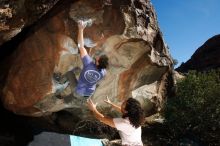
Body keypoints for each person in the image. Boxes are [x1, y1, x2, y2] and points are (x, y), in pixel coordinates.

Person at [67, 20, 109, 101]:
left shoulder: (88, 63)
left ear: (97, 62)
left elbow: (81, 46)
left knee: (69, 73)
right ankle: (78, 99)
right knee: (78, 69)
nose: (97, 57)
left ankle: (61, 84)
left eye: (98, 58)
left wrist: (81, 29)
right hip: (88, 94)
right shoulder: (103, 73)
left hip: (79, 92)